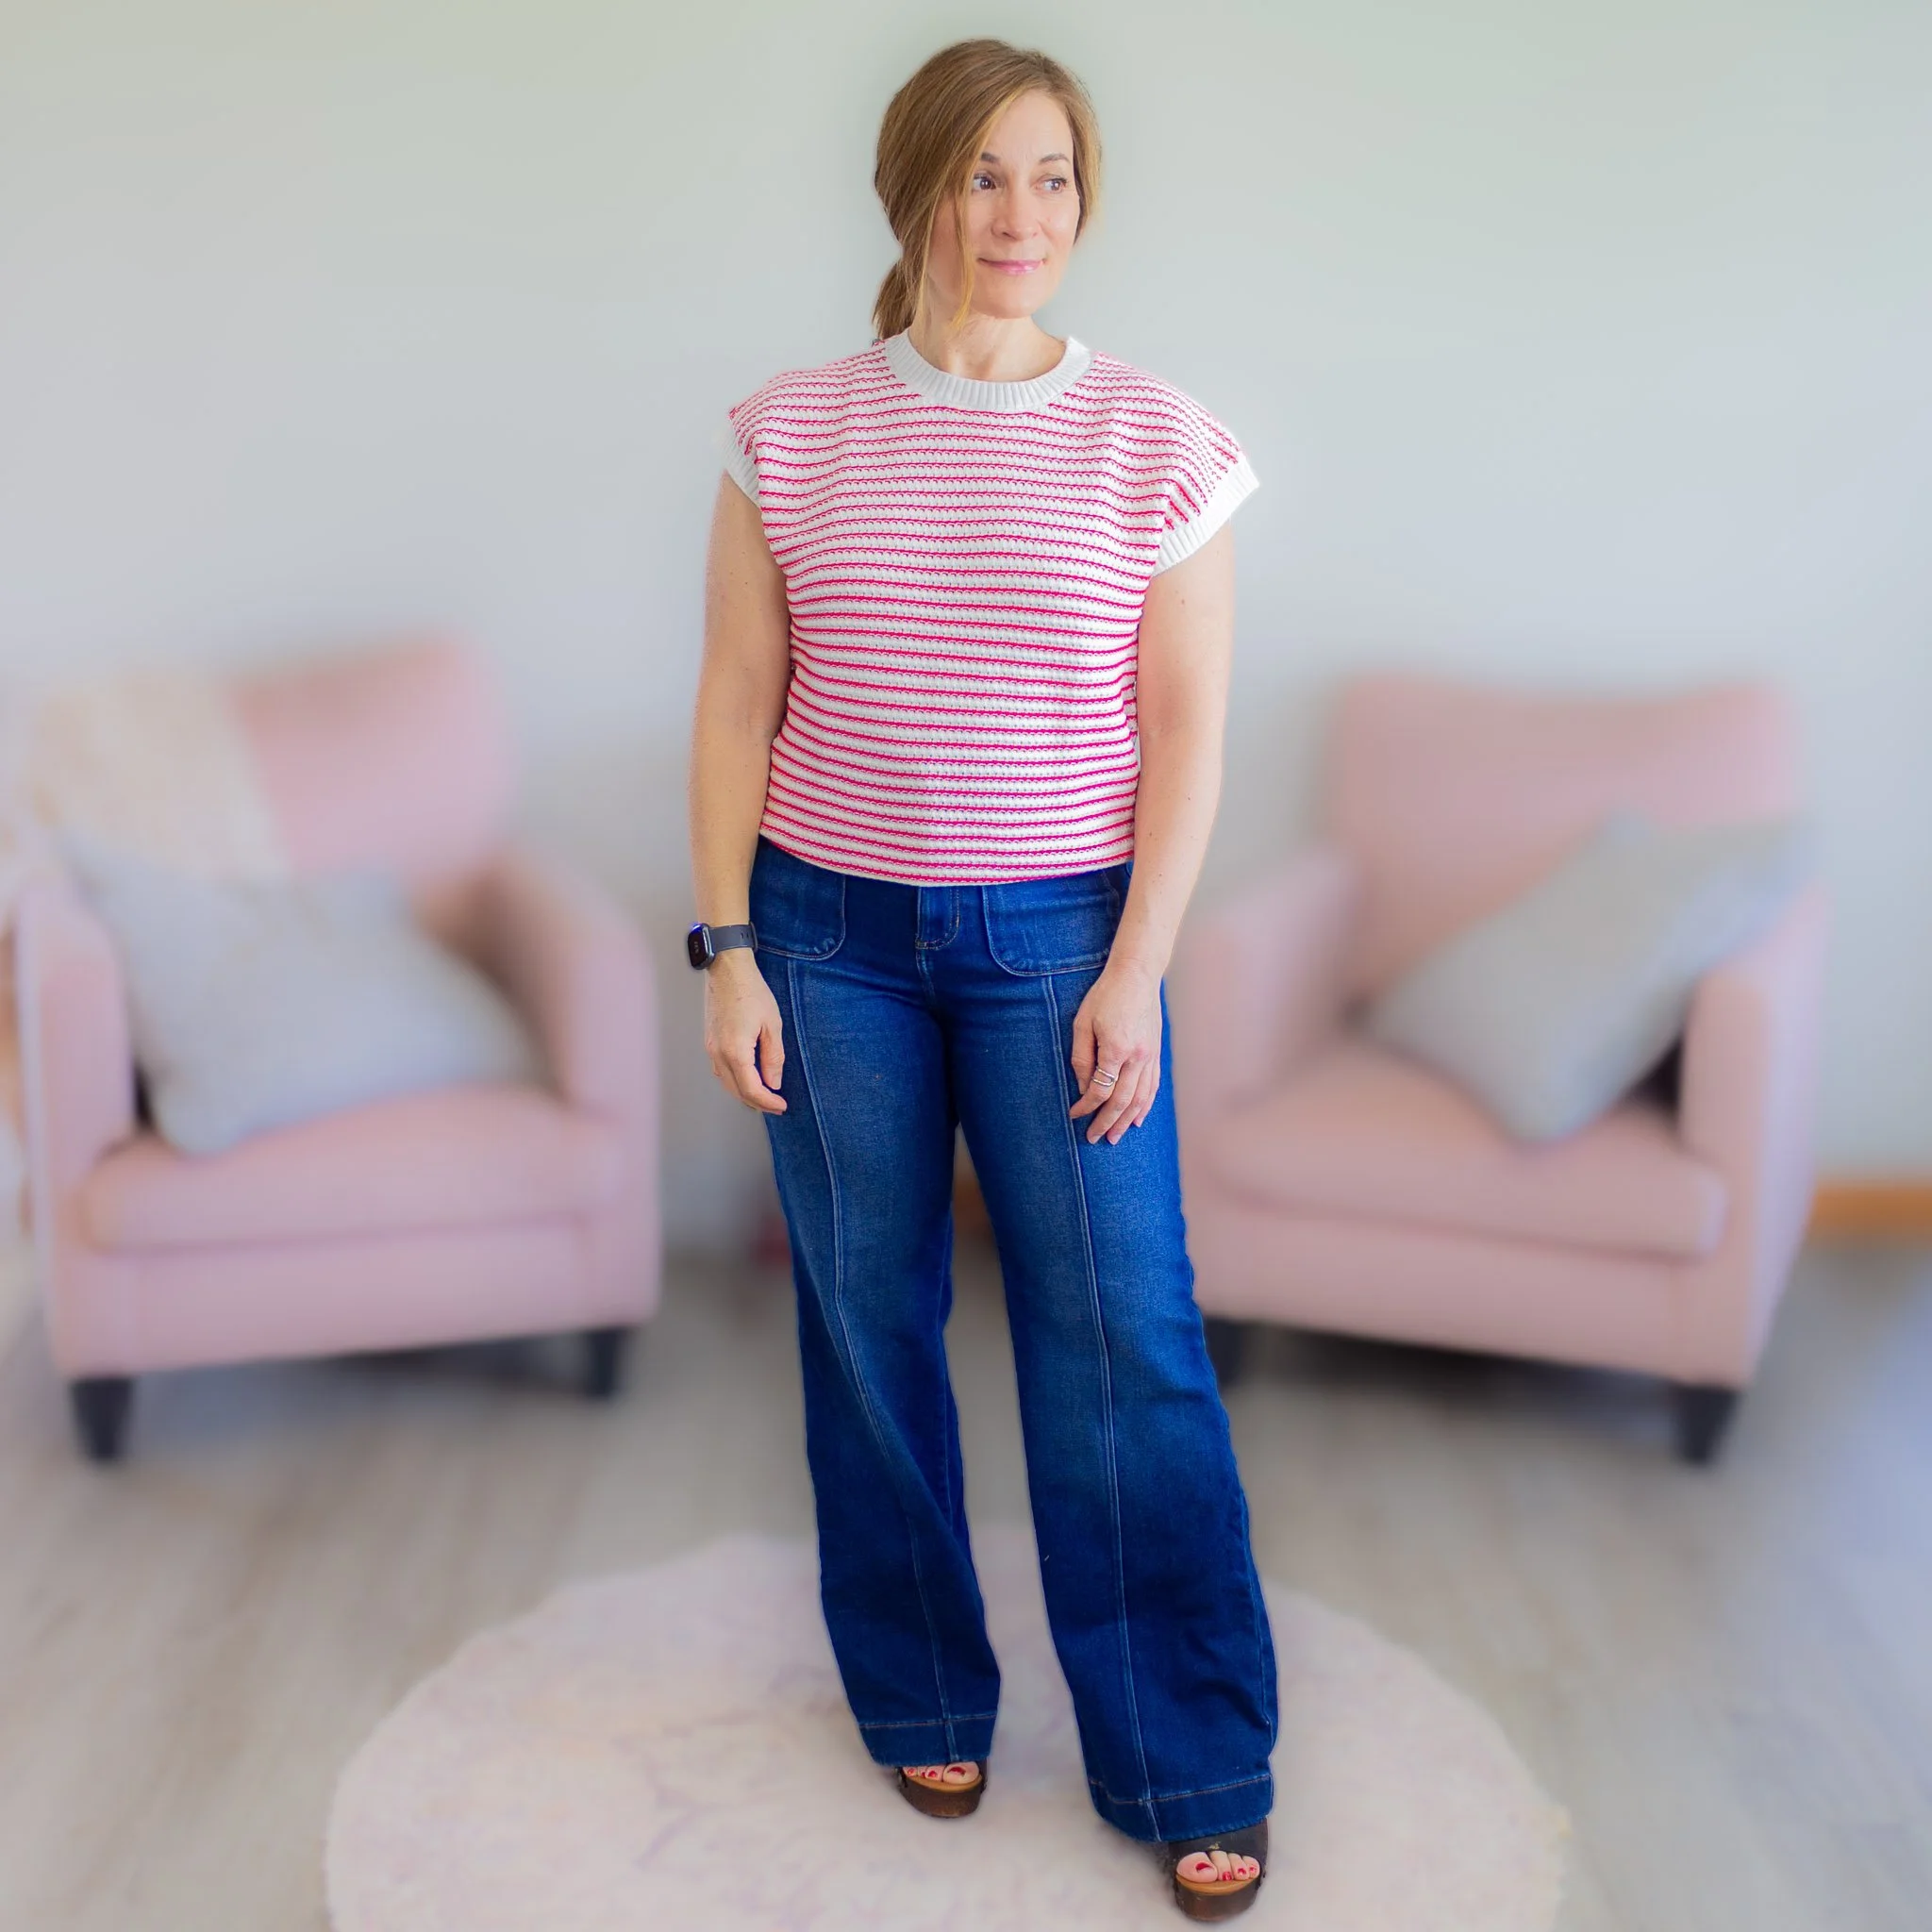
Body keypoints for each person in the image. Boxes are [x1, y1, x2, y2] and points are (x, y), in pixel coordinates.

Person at [686, 36, 1276, 1921]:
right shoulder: (786, 425)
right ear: (914, 191)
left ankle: (1186, 1751)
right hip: (825, 941)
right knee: (869, 1327)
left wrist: (1138, 969)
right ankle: (922, 1686)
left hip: (1063, 952)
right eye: (983, 175)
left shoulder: (1158, 444)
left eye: (1051, 176)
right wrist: (724, 949)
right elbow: (736, 702)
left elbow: (1184, 739)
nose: (1020, 214)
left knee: (1127, 1346)